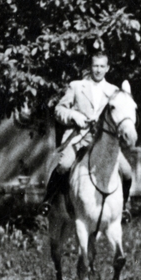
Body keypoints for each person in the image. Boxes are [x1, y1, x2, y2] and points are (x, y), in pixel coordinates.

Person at [45, 50, 132, 206]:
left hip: (104, 141)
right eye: (95, 66)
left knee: (126, 171)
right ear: (90, 67)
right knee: (64, 164)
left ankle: (124, 207)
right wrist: (74, 116)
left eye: (102, 66)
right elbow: (59, 110)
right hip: (80, 137)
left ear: (108, 68)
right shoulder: (77, 86)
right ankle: (50, 201)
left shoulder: (114, 91)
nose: (98, 70)